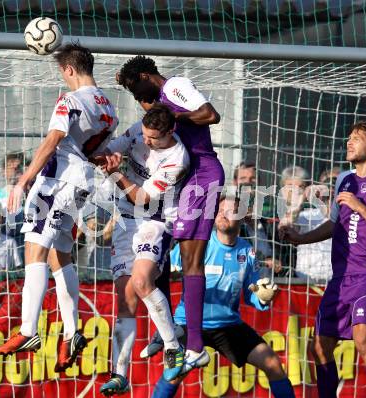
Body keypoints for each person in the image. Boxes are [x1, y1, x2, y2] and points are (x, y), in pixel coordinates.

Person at [0, 43, 118, 373]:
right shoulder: (109, 108)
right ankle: (73, 332)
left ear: (69, 70)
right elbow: (93, 152)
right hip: (82, 183)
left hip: (58, 181)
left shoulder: (70, 100)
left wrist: (23, 180)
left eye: (62, 72)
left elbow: (52, 141)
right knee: (59, 254)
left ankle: (28, 331)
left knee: (35, 248)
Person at [117, 56, 224, 371]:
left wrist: (169, 117)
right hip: (184, 178)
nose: (139, 99)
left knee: (192, 260)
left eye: (137, 88)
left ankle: (195, 346)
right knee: (160, 253)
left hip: (201, 174)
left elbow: (209, 114)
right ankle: (168, 334)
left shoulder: (174, 86)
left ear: (148, 76)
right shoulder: (157, 105)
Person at [147, 194, 295, 398]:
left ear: (242, 217)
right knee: (174, 373)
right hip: (189, 323)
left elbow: (251, 292)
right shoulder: (198, 244)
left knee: (272, 363)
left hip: (228, 325)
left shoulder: (248, 252)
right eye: (219, 211)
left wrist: (263, 297)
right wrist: (171, 272)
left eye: (230, 211)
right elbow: (165, 269)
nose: (223, 215)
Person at [280, 121, 366, 398]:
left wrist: (360, 206)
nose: (349, 143)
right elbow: (335, 224)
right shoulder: (344, 179)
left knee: (363, 339)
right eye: (349, 138)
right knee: (320, 344)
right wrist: (300, 237)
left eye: (357, 139)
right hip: (340, 277)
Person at [99, 104, 190, 395]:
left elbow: (141, 198)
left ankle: (174, 349)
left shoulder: (177, 159)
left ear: (170, 131)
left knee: (141, 282)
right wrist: (103, 154)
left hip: (155, 220)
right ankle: (119, 374)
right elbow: (109, 148)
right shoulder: (140, 129)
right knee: (125, 301)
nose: (147, 142)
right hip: (125, 220)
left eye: (154, 139)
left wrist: (115, 173)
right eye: (146, 136)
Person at [233, 161, 282, 275]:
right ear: (234, 182)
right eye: (243, 178)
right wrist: (264, 262)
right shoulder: (229, 223)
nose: (248, 182)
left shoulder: (269, 224)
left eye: (253, 178)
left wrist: (276, 261)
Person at [293, 168, 341, 282]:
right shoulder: (305, 216)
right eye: (326, 183)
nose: (331, 187)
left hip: (338, 283)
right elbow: (286, 229)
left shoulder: (351, 218)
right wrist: (303, 197)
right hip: (305, 282)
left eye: (336, 182)